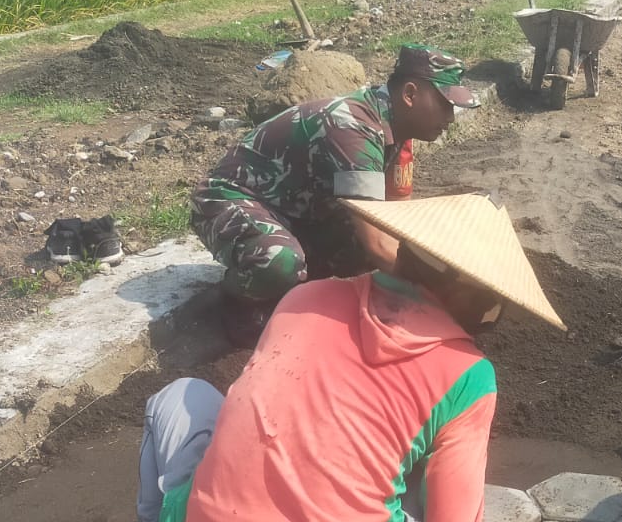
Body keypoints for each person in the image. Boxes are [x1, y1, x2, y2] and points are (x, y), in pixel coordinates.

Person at [71, 193, 566, 522]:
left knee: (181, 396)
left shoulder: (304, 300)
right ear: (478, 298)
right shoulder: (468, 375)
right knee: (417, 468)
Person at [190, 44, 478, 344]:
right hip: (228, 198)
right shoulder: (352, 127)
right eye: (445, 104)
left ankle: (298, 291)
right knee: (280, 263)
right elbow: (378, 243)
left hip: (294, 209)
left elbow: (394, 223)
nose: (451, 118)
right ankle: (237, 301)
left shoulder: (400, 134)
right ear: (409, 94)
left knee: (360, 253)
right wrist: (436, 295)